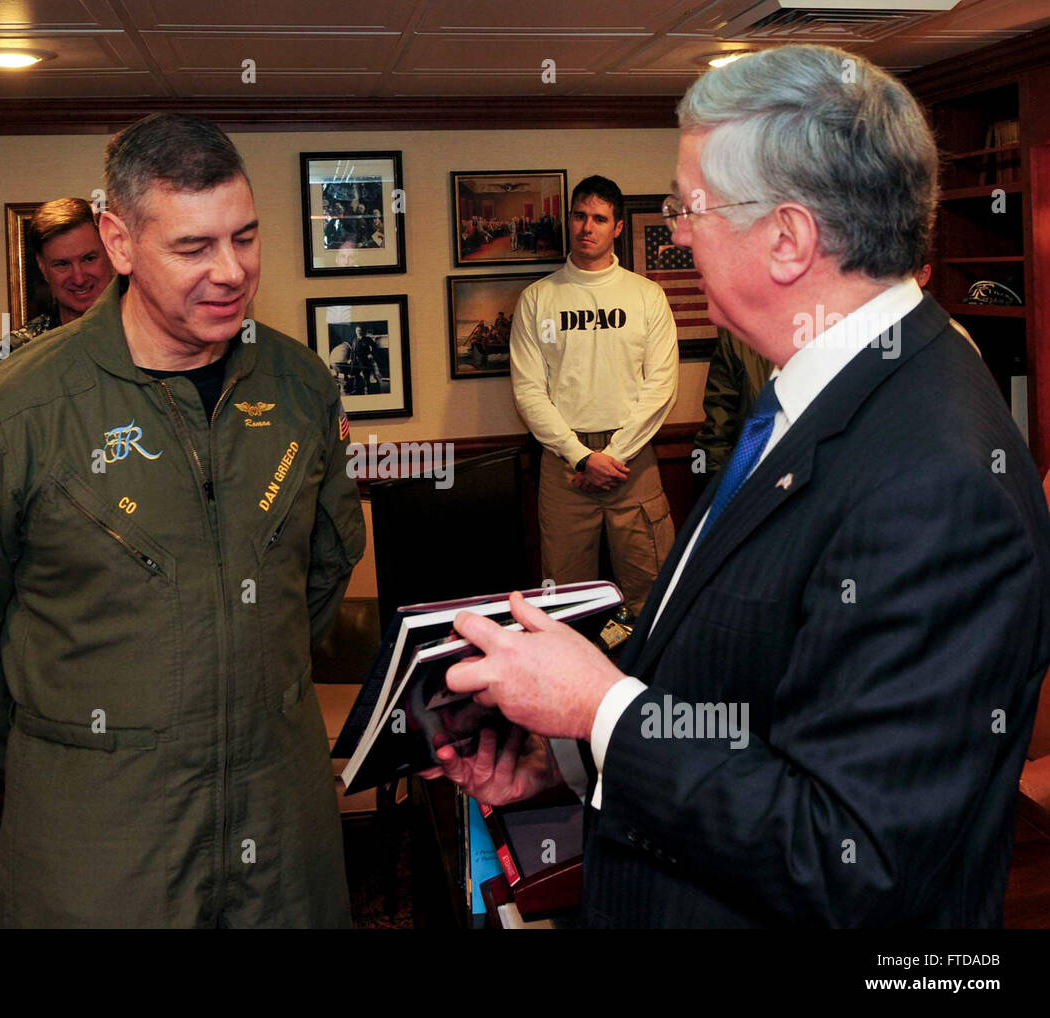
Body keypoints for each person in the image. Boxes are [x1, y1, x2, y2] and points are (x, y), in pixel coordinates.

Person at [425, 44, 1050, 928]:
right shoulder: (820, 390)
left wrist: (603, 708)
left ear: (787, 238)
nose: (674, 230)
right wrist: (574, 755)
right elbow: (752, 710)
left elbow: (850, 857)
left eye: (689, 207)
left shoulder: (937, 478)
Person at [0, 113, 366, 928]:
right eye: (192, 247)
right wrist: (72, 750)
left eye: (245, 238)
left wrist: (246, 692)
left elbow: (321, 570)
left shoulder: (299, 389)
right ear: (118, 241)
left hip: (283, 837)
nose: (231, 272)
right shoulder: (9, 417)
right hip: (101, 849)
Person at [509, 174, 679, 614]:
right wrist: (582, 457)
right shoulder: (537, 299)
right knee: (566, 603)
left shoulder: (647, 296)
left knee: (653, 592)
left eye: (599, 218)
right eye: (580, 216)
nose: (588, 227)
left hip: (633, 461)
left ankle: (645, 682)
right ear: (570, 220)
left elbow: (661, 387)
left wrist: (614, 456)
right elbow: (529, 392)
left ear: (617, 227)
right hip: (565, 465)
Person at [0, 197, 114, 377]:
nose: (79, 278)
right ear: (43, 267)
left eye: (89, 259)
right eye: (62, 264)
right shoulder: (13, 355)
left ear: (111, 253)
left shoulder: (150, 338)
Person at [692, 329, 773, 493]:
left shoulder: (827, 330)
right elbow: (717, 425)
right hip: (751, 485)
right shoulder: (736, 337)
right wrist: (712, 493)